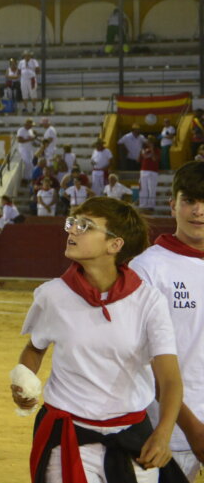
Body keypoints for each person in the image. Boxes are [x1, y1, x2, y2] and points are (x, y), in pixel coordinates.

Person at [11, 197, 182, 482]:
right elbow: (34, 348)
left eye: (85, 226)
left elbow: (170, 379)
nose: (72, 230)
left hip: (132, 441)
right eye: (73, 223)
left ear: (115, 245)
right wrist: (22, 381)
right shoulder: (52, 295)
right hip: (67, 439)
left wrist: (163, 435)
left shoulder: (148, 301)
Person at [129, 161, 204, 479]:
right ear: (173, 204)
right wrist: (193, 429)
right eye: (189, 200)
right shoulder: (146, 269)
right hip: (167, 434)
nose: (198, 211)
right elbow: (140, 359)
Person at [140, 139, 160, 210]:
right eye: (148, 142)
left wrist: (152, 150)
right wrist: (146, 150)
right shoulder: (144, 150)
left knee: (152, 188)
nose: (149, 143)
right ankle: (143, 204)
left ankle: (151, 205)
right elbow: (142, 157)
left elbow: (155, 159)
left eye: (150, 142)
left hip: (153, 171)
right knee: (143, 188)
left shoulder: (157, 150)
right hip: (144, 170)